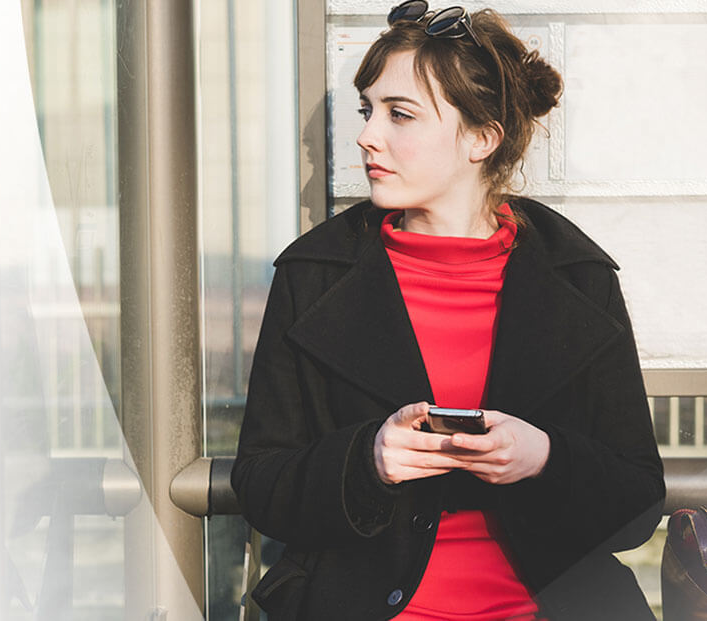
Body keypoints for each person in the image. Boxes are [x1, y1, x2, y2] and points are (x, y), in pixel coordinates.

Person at [230, 3, 665, 619]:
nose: (367, 136)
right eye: (367, 109)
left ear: (482, 138)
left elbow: (639, 503)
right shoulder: (313, 274)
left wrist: (544, 458)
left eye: (399, 114)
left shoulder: (579, 277)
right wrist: (366, 461)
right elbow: (261, 484)